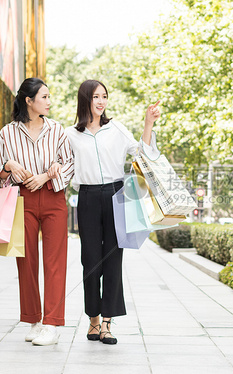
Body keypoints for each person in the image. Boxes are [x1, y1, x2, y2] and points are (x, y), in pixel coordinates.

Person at [65, 79, 161, 345]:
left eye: (104, 96)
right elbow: (64, 168)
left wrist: (148, 124)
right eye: (96, 96)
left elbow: (141, 153)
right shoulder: (70, 134)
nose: (101, 101)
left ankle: (107, 322)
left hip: (115, 195)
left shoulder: (116, 128)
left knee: (113, 260)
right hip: (86, 197)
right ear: (85, 99)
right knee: (90, 260)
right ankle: (93, 320)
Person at [0, 77, 74, 346]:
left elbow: (69, 165)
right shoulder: (7, 133)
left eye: (49, 97)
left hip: (53, 197)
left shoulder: (58, 130)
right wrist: (9, 167)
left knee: (55, 262)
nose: (49, 102)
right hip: (22, 199)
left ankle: (51, 324)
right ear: (29, 101)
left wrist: (46, 176)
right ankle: (33, 320)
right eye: (44, 97)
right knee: (26, 260)